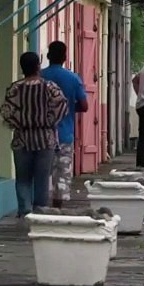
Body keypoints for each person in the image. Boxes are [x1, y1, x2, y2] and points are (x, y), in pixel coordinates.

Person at [0, 51, 68, 218]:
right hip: (45, 139)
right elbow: (62, 107)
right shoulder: (50, 87)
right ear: (38, 65)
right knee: (42, 179)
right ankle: (40, 211)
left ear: (23, 68)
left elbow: (6, 113)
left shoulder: (14, 89)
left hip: (22, 139)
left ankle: (25, 211)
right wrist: (50, 122)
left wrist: (19, 123)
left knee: (23, 179)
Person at [41, 41, 87, 209]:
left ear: (48, 56)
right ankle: (57, 206)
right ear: (65, 57)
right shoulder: (73, 78)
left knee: (42, 171)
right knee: (62, 172)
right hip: (65, 132)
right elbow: (84, 106)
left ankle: (39, 204)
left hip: (42, 133)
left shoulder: (40, 76)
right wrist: (67, 108)